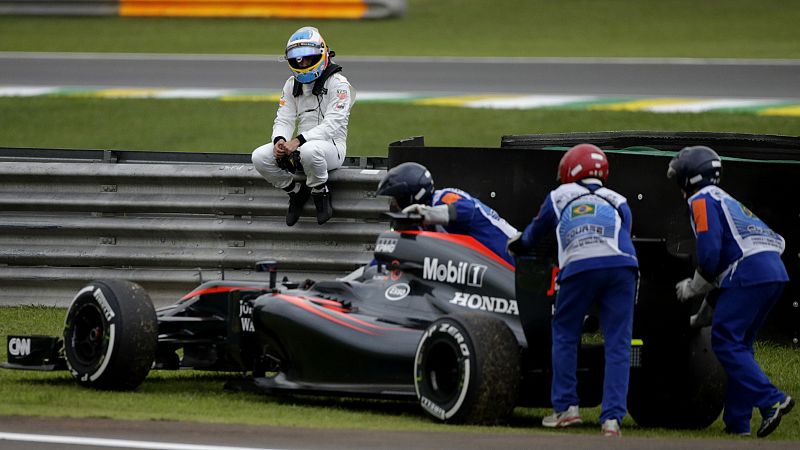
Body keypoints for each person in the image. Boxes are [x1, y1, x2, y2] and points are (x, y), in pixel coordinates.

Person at [507, 144, 638, 437]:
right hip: (623, 265)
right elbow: (625, 232)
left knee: (565, 333)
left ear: (570, 170)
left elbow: (534, 234)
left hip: (579, 265)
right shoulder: (620, 200)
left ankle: (567, 408)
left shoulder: (559, 195)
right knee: (619, 342)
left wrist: (518, 244)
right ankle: (612, 420)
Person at [667, 145, 793, 438]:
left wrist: (693, 286)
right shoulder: (723, 198)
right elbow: (721, 280)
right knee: (740, 347)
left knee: (724, 342)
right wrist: (700, 317)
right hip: (773, 270)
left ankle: (772, 399)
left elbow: (710, 256)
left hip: (749, 271)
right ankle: (738, 423)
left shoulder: (700, 199)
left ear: (689, 177)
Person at [251, 26, 355, 226]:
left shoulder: (339, 83)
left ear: (321, 53)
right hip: (299, 145)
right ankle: (295, 193)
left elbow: (333, 124)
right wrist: (280, 141)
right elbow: (284, 118)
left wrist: (298, 141)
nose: (303, 63)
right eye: (299, 59)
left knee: (309, 150)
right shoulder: (291, 84)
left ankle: (320, 192)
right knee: (259, 156)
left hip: (332, 147)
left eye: (308, 58)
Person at [376, 162, 518, 265]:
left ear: (409, 196)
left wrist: (425, 214)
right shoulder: (418, 224)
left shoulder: (444, 197)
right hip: (485, 271)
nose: (395, 204)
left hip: (514, 259)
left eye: (397, 198)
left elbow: (467, 210)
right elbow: (396, 251)